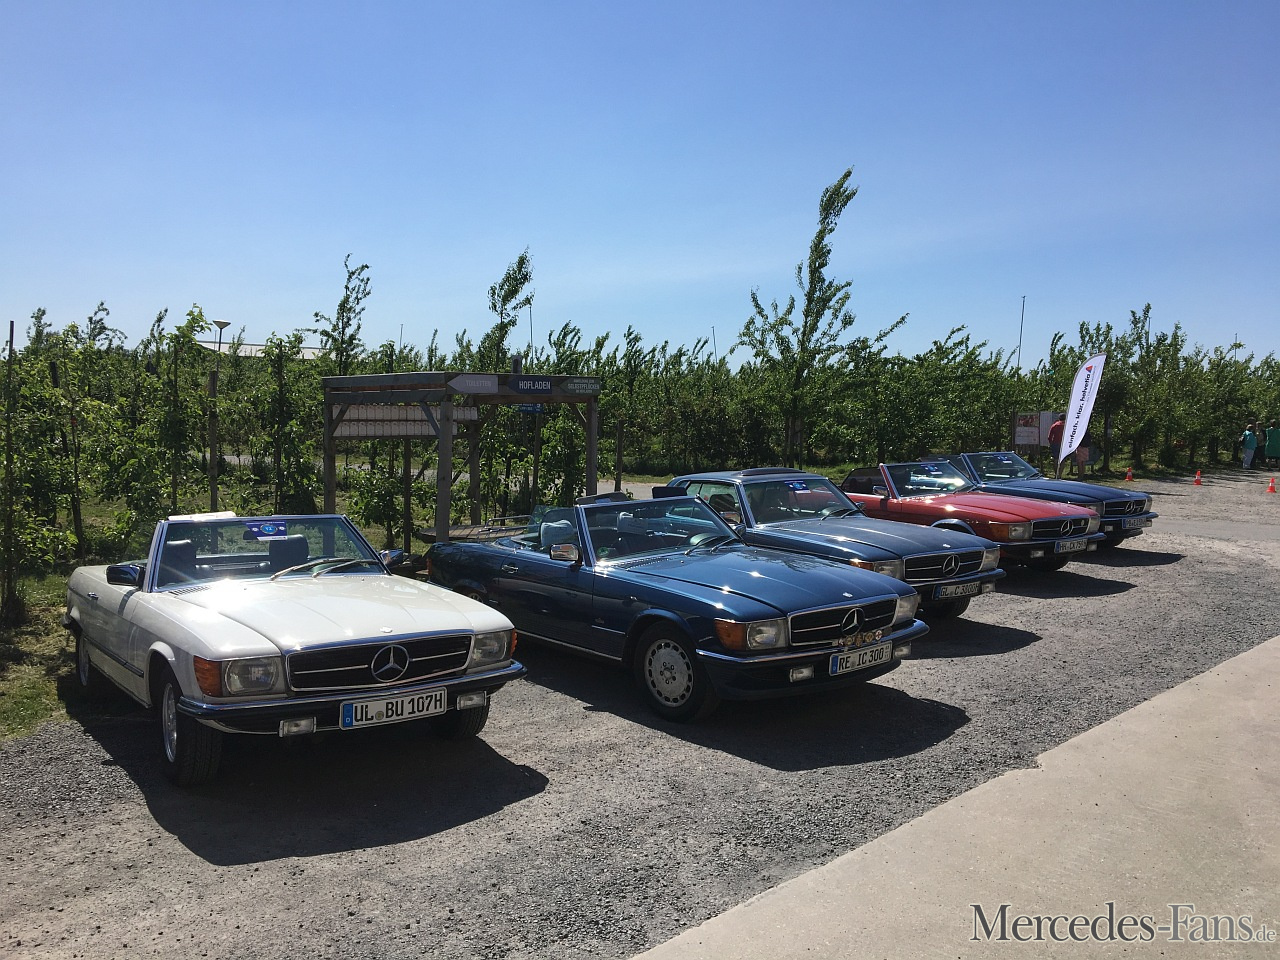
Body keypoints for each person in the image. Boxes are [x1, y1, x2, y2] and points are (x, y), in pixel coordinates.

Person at [1047, 413, 1066, 478]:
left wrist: (1051, 443)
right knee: (1062, 459)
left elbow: (1049, 437)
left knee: (1055, 459)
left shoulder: (1054, 425)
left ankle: (1056, 474)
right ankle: (1060, 474)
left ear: (1059, 418)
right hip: (1064, 444)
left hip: (1055, 443)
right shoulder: (1066, 426)